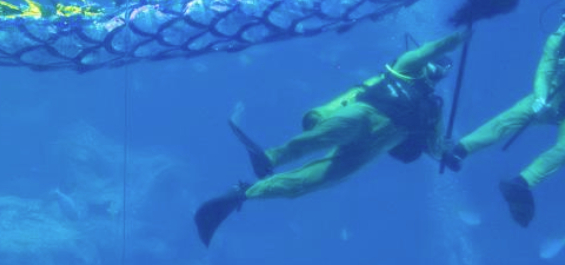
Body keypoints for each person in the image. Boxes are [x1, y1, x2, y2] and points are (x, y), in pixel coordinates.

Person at [193, 30, 466, 247]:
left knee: (314, 180)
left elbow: (436, 145)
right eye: (436, 66)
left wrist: (449, 155)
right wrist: (460, 36)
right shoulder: (406, 68)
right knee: (322, 136)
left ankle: (244, 194)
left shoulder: (434, 110)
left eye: (442, 70)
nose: (437, 71)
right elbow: (432, 48)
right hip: (363, 116)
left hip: (370, 150)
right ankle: (271, 157)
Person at [440, 0, 565, 227]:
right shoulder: (558, 37)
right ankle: (460, 149)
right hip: (553, 97)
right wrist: (541, 97)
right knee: (511, 116)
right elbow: (544, 70)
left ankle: (522, 183)